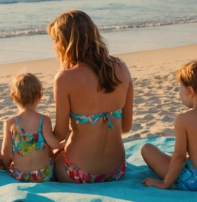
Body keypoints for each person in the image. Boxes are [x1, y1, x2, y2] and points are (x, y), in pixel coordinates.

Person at [49, 10, 134, 183]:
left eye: (56, 40)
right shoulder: (121, 67)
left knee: (47, 160)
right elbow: (125, 127)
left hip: (78, 173)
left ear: (66, 42)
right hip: (116, 170)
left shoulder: (65, 78)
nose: (55, 45)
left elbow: (60, 133)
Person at [141, 59, 197, 191]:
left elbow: (179, 158)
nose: (179, 92)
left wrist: (164, 183)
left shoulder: (183, 119)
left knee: (147, 149)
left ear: (190, 91)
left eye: (180, 87)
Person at [0, 73, 64, 183]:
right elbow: (54, 145)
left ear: (13, 97)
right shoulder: (44, 120)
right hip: (43, 175)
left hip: (20, 175)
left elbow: (5, 152)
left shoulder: (10, 123)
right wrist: (64, 144)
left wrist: (7, 167)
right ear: (40, 96)